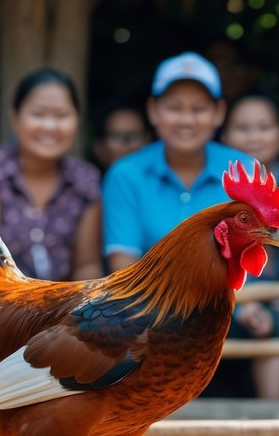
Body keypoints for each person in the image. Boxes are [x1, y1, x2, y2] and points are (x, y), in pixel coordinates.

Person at [101, 51, 251, 271]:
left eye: (199, 108)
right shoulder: (125, 175)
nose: (186, 120)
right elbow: (123, 269)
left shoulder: (245, 171)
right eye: (174, 107)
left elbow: (259, 259)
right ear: (153, 111)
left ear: (219, 112)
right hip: (148, 305)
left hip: (237, 303)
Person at [0, 69, 103, 282]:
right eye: (38, 114)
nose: (50, 126)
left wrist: (84, 311)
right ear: (15, 117)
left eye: (61, 115)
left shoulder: (85, 178)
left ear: (77, 120)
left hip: (64, 309)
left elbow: (87, 266)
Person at [219, 92, 279, 400]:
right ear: (224, 136)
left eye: (263, 127)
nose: (253, 137)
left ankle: (277, 429)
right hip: (229, 302)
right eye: (242, 128)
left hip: (274, 308)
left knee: (277, 327)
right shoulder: (216, 194)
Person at [91, 103, 151, 172]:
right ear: (99, 148)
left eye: (134, 137)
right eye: (116, 137)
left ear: (148, 140)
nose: (127, 146)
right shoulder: (88, 180)